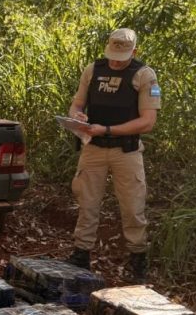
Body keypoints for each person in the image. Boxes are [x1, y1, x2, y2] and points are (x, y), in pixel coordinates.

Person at [66, 28, 161, 282]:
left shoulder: (144, 76)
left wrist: (108, 129)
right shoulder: (93, 70)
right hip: (94, 148)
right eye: (113, 54)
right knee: (87, 203)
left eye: (122, 56)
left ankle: (137, 259)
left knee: (133, 207)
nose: (116, 61)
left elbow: (148, 122)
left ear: (134, 52)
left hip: (126, 151)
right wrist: (77, 116)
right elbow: (77, 103)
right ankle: (81, 254)